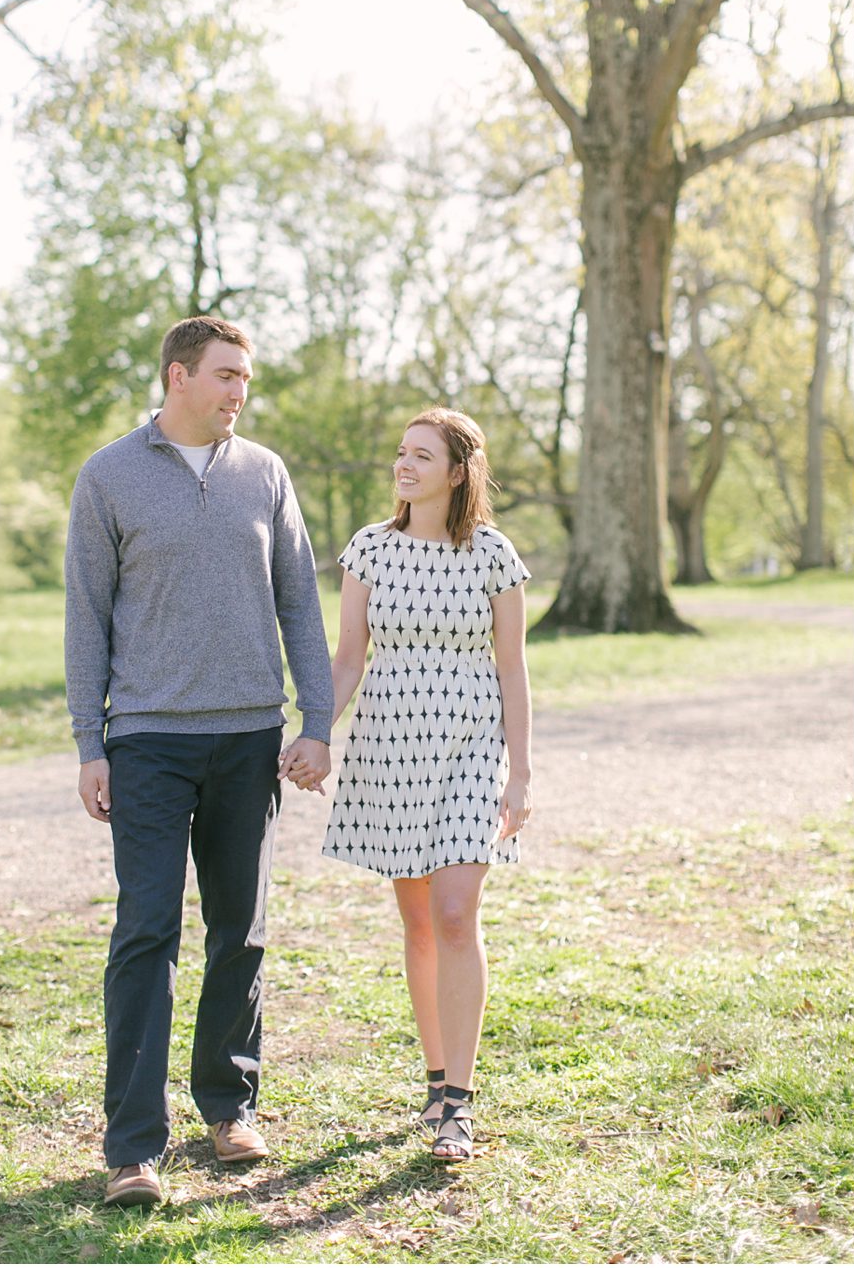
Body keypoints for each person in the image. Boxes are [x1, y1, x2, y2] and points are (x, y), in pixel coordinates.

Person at [65, 315, 334, 1206]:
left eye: (245, 380)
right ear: (179, 375)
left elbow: (299, 601)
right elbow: (85, 619)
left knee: (239, 930)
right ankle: (133, 1148)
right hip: (146, 739)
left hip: (250, 737)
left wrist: (317, 720)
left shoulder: (266, 473)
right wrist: (89, 742)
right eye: (225, 376)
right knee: (147, 929)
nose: (238, 393)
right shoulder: (108, 476)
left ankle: (229, 1107)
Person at [281, 407, 533, 1165]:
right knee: (420, 923)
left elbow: (514, 667)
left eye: (422, 456)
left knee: (457, 914)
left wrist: (522, 774)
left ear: (459, 472)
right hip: (391, 748)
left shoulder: (493, 554)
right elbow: (349, 655)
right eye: (401, 453)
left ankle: (458, 1101)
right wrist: (317, 731)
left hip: (469, 743)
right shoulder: (370, 549)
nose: (405, 465)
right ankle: (433, 1076)